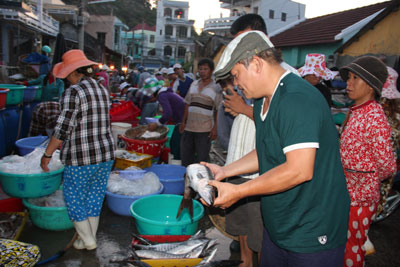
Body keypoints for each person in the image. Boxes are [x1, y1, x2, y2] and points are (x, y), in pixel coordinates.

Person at [207, 31, 350, 267]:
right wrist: (225, 172)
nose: (236, 84)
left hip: (312, 229)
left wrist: (239, 192)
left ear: (255, 63)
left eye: (236, 75)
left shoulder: (296, 99)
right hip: (280, 225)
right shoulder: (265, 100)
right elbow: (266, 150)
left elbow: (299, 170)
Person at [40, 49, 115, 251]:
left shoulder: (73, 92)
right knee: (94, 197)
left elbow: (62, 130)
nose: (67, 80)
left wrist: (47, 154)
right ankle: (85, 239)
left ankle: (88, 240)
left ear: (74, 73)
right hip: (105, 154)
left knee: (73, 198)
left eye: (67, 76)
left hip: (81, 157)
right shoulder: (102, 89)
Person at [339, 56, 397, 267]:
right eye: (348, 78)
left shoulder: (374, 117)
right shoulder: (357, 112)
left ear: (371, 86)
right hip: (349, 195)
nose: (349, 83)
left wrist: (365, 178)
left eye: (356, 78)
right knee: (347, 244)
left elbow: (387, 166)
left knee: (353, 246)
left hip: (360, 198)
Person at [179, 58, 222, 167]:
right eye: (200, 69)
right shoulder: (193, 84)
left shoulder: (216, 88)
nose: (202, 71)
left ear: (211, 71)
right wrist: (183, 122)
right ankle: (186, 181)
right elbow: (187, 104)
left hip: (205, 130)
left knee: (202, 160)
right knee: (186, 158)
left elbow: (218, 110)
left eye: (205, 69)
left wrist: (215, 129)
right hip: (189, 128)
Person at [148, 86, 186, 160]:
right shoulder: (167, 93)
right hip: (183, 120)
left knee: (175, 146)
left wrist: (157, 124)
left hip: (182, 121)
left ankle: (177, 165)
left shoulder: (162, 96)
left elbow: (168, 114)